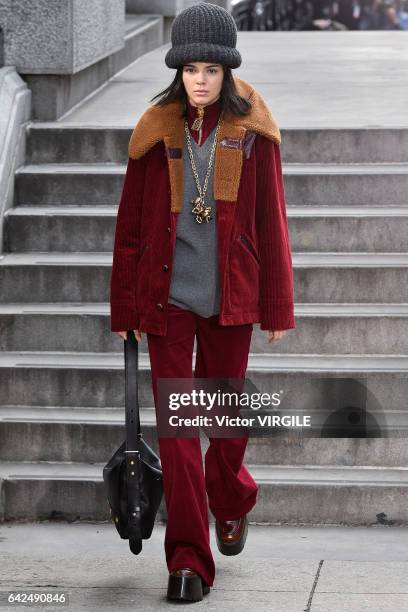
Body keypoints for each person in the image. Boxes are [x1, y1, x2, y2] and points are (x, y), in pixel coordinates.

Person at [110, 3, 295, 603]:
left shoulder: (251, 133)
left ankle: (234, 496)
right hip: (169, 300)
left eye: (211, 70)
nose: (199, 80)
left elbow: (272, 221)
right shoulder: (155, 130)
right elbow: (131, 228)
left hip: (230, 296)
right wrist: (127, 306)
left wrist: (277, 305)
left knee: (224, 422)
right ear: (177, 71)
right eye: (190, 69)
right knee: (180, 432)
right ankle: (188, 560)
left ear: (227, 72)